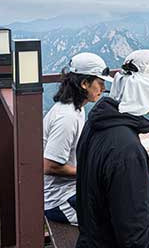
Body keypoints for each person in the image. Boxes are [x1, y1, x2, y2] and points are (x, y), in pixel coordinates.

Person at [76, 49, 149, 248]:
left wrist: (146, 172)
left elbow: (109, 185)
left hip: (92, 238)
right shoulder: (127, 150)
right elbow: (139, 240)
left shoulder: (96, 123)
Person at [43, 52, 113, 226]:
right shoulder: (67, 118)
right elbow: (49, 166)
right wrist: (91, 172)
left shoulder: (75, 108)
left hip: (71, 190)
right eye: (100, 83)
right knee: (119, 218)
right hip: (60, 201)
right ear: (84, 83)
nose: (103, 89)